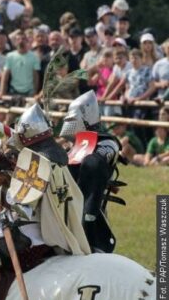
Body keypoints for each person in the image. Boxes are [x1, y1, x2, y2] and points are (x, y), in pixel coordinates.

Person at [0, 103, 90, 299]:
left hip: (26, 233)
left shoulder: (37, 161)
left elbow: (25, 208)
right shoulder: (52, 160)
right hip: (44, 229)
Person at [59, 90, 122, 252]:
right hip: (62, 209)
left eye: (72, 118)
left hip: (90, 213)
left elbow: (95, 164)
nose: (68, 122)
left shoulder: (107, 143)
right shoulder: (72, 148)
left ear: (86, 118)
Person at [0, 29, 41, 99]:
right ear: (15, 42)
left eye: (23, 39)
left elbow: (36, 76)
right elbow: (5, 75)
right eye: (18, 39)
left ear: (27, 41)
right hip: (14, 90)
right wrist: (1, 91)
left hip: (29, 91)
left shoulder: (34, 57)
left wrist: (35, 92)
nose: (21, 41)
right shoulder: (10, 56)